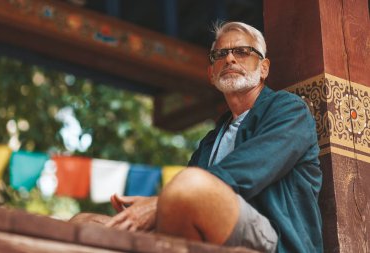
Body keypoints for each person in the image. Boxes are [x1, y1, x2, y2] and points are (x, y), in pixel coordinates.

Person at [70, 21, 323, 253]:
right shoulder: (210, 142)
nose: (230, 59)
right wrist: (157, 209)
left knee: (189, 184)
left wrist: (160, 204)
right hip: (206, 234)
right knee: (85, 224)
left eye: (243, 52)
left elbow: (250, 170)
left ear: (264, 67)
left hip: (276, 242)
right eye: (220, 55)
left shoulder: (289, 110)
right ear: (211, 74)